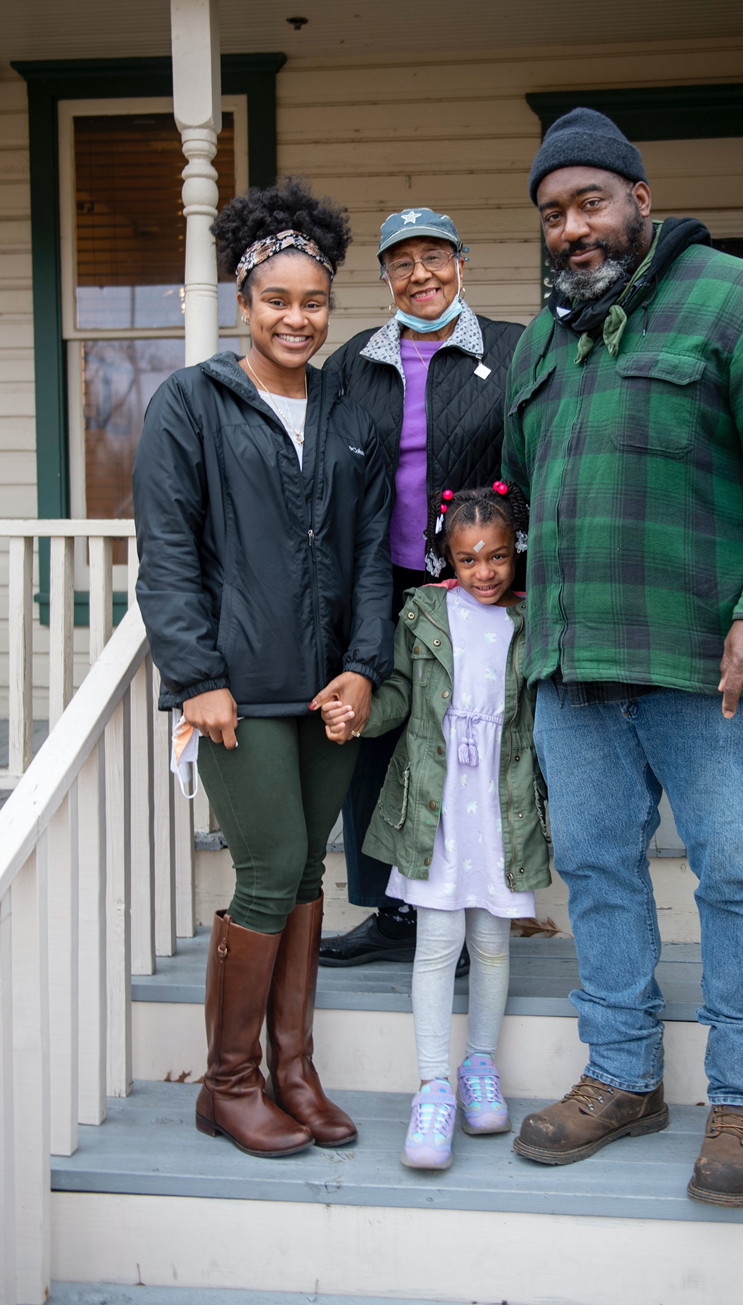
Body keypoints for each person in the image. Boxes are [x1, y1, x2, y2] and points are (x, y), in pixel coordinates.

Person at [502, 109, 743, 1206]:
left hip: (708, 661)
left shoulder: (736, 301)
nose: (571, 227)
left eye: (589, 202)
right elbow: (522, 484)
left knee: (735, 875)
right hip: (571, 665)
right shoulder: (542, 340)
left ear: (638, 202)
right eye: (552, 213)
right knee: (599, 874)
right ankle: (622, 1075)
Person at [132, 179, 394, 1159]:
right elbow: (166, 550)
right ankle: (226, 1084)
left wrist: (365, 668)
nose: (296, 317)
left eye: (313, 300)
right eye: (276, 299)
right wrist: (196, 678)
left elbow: (372, 551)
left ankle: (293, 1072)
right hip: (237, 689)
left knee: (306, 874)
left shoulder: (343, 406)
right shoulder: (191, 402)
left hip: (328, 687)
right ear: (244, 303)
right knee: (269, 867)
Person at [317, 484, 550, 1171]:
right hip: (439, 804)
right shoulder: (424, 612)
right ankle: (433, 1088)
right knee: (437, 942)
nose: (486, 571)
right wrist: (360, 714)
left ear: (516, 554)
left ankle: (481, 1066)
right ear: (445, 558)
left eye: (499, 556)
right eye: (470, 557)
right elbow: (397, 694)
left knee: (492, 942)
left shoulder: (529, 622)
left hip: (501, 803)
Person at [319, 208, 525, 970]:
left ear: (461, 263)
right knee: (376, 735)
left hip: (471, 582)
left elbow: (531, 460)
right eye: (402, 263)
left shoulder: (509, 348)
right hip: (381, 580)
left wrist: (511, 556)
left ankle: (465, 906)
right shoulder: (353, 364)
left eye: (434, 257)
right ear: (385, 278)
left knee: (464, 741)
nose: (421, 275)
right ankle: (390, 910)